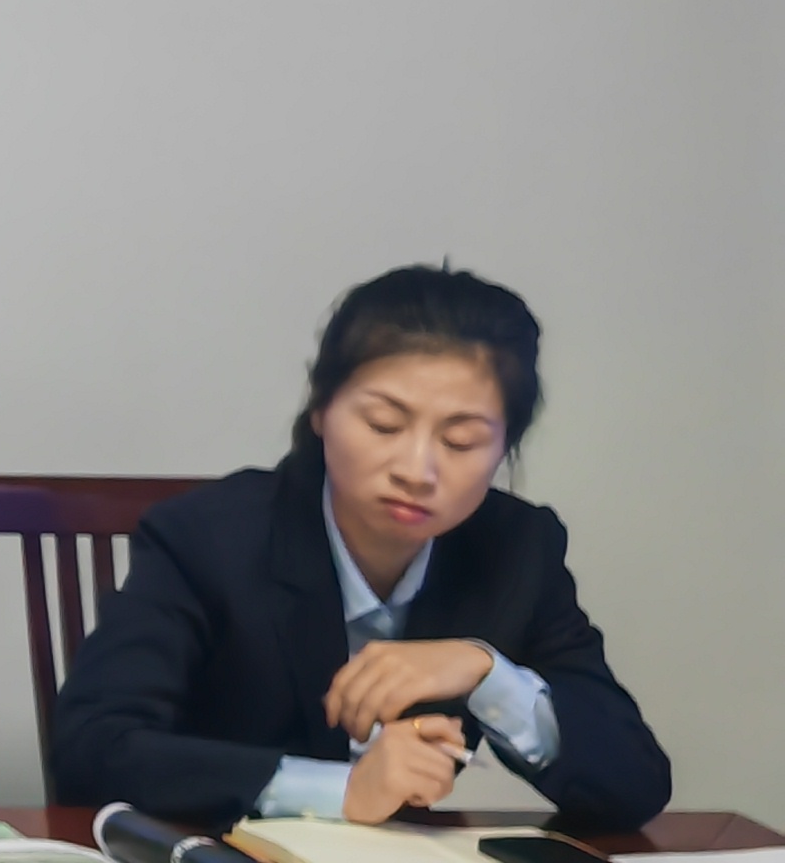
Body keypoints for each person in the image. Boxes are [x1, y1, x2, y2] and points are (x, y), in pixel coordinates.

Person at [52, 265, 670, 825]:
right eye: (384, 424)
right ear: (321, 409)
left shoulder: (516, 549)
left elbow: (634, 784)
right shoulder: (208, 538)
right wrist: (339, 790)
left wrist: (486, 673)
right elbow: (92, 747)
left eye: (461, 441)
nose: (417, 470)